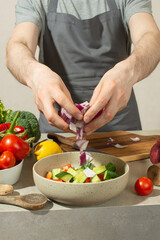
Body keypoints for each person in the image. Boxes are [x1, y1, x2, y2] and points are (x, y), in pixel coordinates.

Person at [6, 0, 160, 136]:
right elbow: (19, 44)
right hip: (59, 133)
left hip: (121, 128)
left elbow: (150, 37)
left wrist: (128, 71)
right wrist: (36, 74)